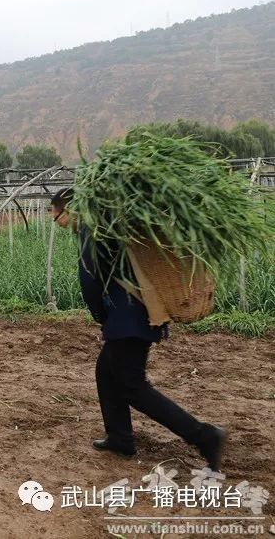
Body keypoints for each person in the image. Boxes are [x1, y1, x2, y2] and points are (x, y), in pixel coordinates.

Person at [50, 188, 225, 470]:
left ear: (69, 210)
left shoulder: (91, 228)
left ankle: (204, 436)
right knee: (106, 372)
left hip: (128, 317)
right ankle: (120, 437)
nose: (58, 223)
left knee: (132, 385)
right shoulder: (108, 224)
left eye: (56, 216)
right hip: (135, 312)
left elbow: (90, 277)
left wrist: (101, 317)